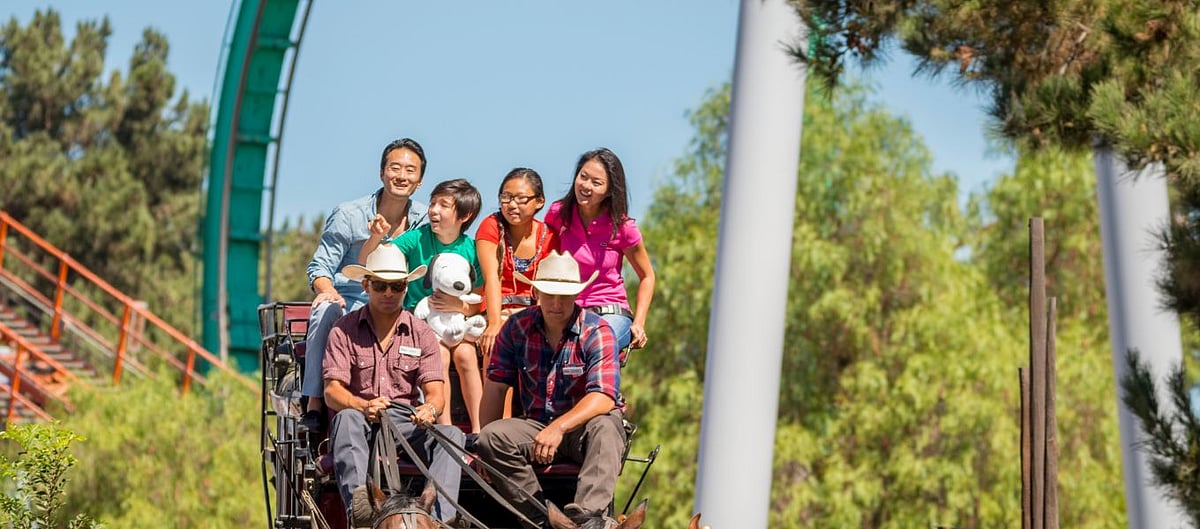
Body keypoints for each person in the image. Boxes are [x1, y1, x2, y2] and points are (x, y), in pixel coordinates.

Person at [475, 250, 626, 529]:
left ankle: (586, 520)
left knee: (608, 428)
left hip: (585, 429)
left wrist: (558, 428)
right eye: (549, 293)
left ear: (576, 296)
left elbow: (603, 397)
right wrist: (483, 452)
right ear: (536, 293)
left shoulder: (598, 331)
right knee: (489, 438)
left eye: (565, 295)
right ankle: (543, 521)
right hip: (535, 425)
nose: (556, 303)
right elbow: (496, 387)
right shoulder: (515, 327)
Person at [323, 244, 464, 526]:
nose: (388, 293)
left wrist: (430, 410)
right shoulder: (343, 329)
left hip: (405, 420)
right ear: (366, 285)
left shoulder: (421, 332)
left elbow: (436, 392)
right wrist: (362, 405)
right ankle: (360, 512)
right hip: (361, 418)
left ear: (404, 288)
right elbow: (332, 391)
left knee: (452, 436)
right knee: (347, 419)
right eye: (380, 285)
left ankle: (439, 521)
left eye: (396, 286)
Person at [301, 138, 430, 434]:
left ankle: (420, 407)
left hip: (399, 295)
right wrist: (328, 290)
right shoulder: (349, 214)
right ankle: (315, 404)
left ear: (419, 181)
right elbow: (320, 267)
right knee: (326, 310)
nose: (402, 176)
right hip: (352, 295)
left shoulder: (425, 218)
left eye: (410, 171)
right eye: (395, 167)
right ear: (382, 172)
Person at [361, 178, 485, 431]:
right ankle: (446, 428)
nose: (433, 210)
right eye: (432, 203)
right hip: (421, 322)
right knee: (437, 355)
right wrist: (375, 237)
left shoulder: (472, 249)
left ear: (465, 215)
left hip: (456, 324)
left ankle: (478, 428)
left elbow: (480, 300)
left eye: (443, 205)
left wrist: (460, 307)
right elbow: (370, 260)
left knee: (466, 354)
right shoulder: (417, 237)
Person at [545, 148, 655, 359]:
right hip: (567, 310)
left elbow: (647, 276)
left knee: (594, 344)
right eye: (583, 177)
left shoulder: (623, 227)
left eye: (596, 183)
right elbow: (546, 260)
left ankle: (604, 392)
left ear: (609, 191)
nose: (586, 186)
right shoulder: (559, 214)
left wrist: (639, 323)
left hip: (610, 312)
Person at [475, 167, 558, 359]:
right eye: (506, 197)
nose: (512, 205)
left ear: (539, 201)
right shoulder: (491, 226)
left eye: (521, 199)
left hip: (534, 311)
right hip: (497, 310)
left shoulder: (550, 236)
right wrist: (494, 323)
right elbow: (492, 278)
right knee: (496, 341)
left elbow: (545, 288)